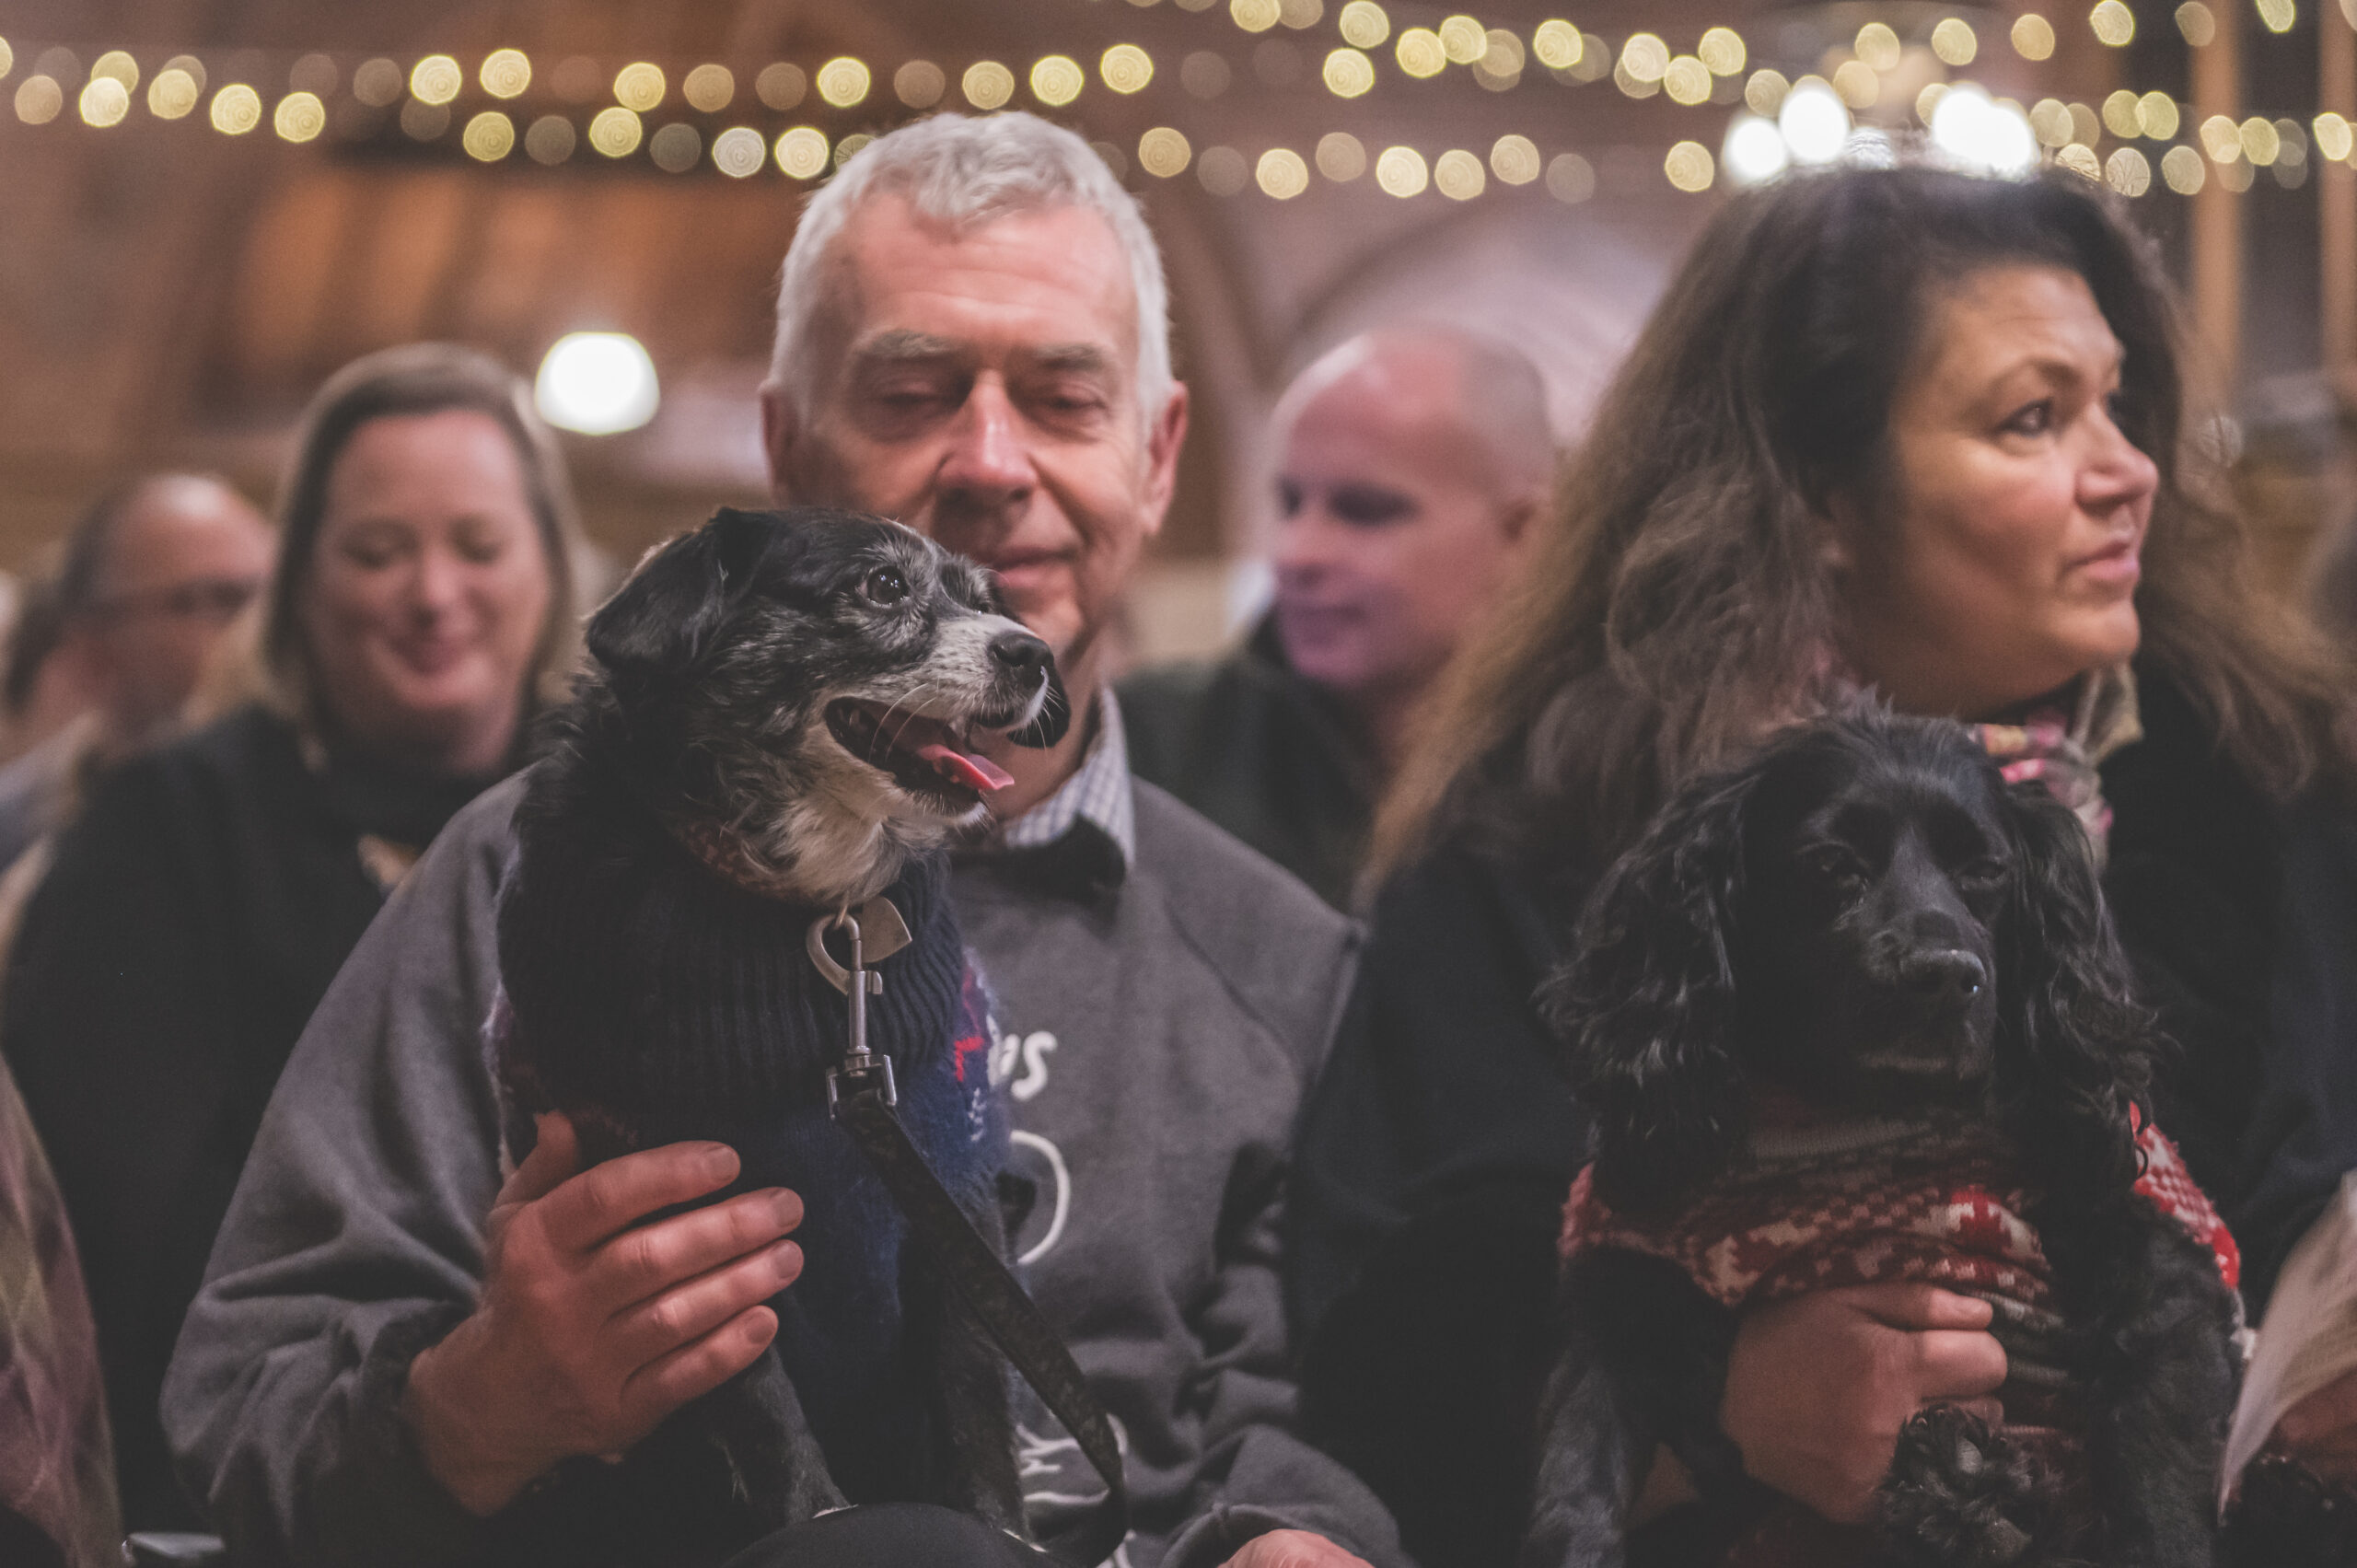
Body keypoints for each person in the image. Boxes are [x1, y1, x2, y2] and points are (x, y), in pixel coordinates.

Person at [162, 114, 1401, 1568]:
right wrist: (478, 1408)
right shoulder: (526, 883)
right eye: (912, 393)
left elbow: (1341, 1409)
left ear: (1158, 452)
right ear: (788, 444)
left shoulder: (1278, 957)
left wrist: (1300, 1530)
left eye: (1065, 398)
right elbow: (240, 1404)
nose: (990, 460)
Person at [1288, 165, 2357, 1564]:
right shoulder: (1560, 824)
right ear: (1819, 495)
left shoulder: (2261, 790)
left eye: (2118, 402)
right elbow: (1381, 1339)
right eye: (2032, 418)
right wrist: (1718, 1408)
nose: (2128, 467)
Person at [3, 343, 581, 1537]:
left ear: (549, 567)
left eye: (479, 544)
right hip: (242, 1491)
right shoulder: (169, 822)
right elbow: (112, 1245)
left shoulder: (629, 819)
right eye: (377, 550)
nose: (433, 592)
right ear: (301, 581)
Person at [1123, 329, 1549, 909]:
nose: (1296, 554)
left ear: (1525, 536)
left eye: (1365, 511)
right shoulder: (1153, 744)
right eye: (1290, 503)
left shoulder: (1598, 774)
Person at [0, 475, 273, 869]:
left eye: (272, 598)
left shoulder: (332, 825)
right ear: (96, 655)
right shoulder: (19, 844)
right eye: (223, 601)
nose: (259, 631)